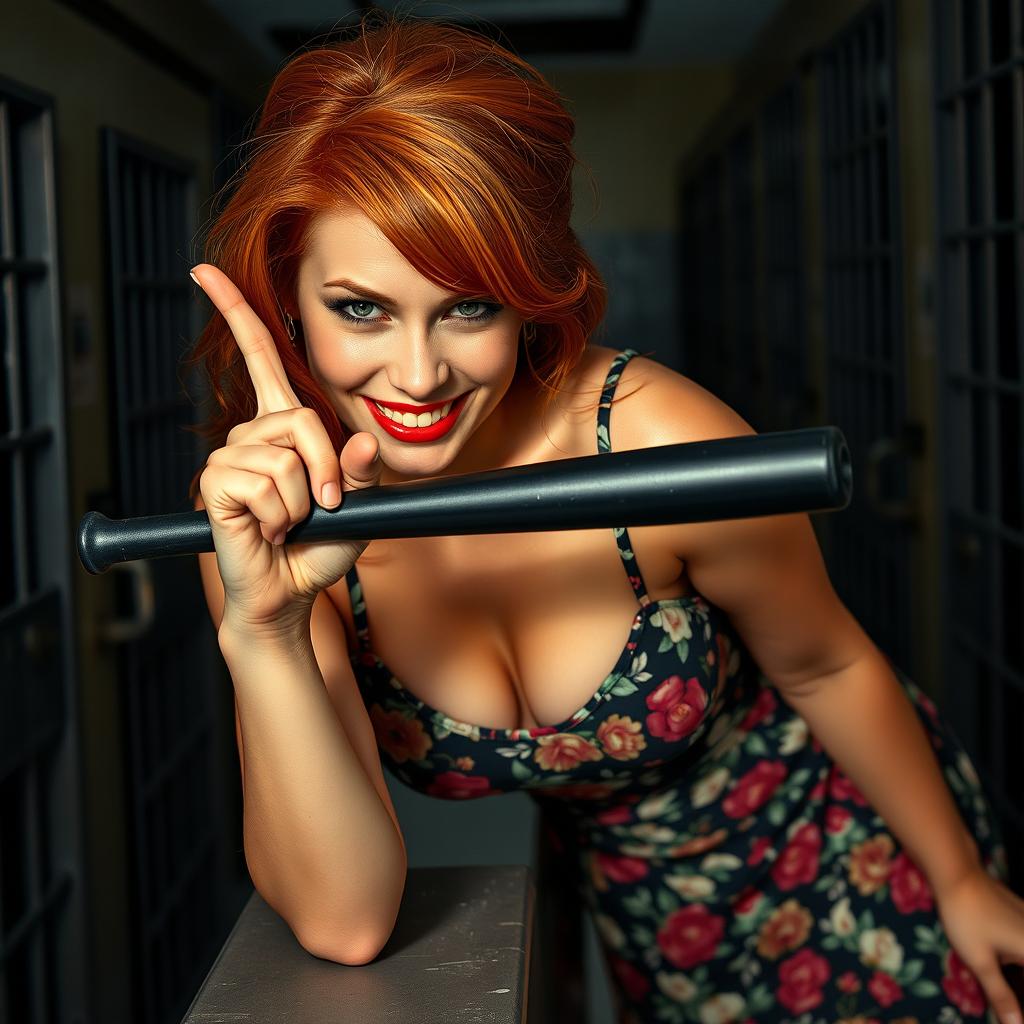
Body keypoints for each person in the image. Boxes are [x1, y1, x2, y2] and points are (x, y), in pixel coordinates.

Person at [185, 15, 1024, 1024]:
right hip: (653, 929)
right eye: (361, 308)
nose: (417, 375)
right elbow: (347, 920)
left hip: (860, 851)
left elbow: (826, 665)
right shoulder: (263, 521)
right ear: (287, 297)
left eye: (469, 307)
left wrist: (960, 876)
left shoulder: (658, 439)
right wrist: (266, 632)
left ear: (529, 298)